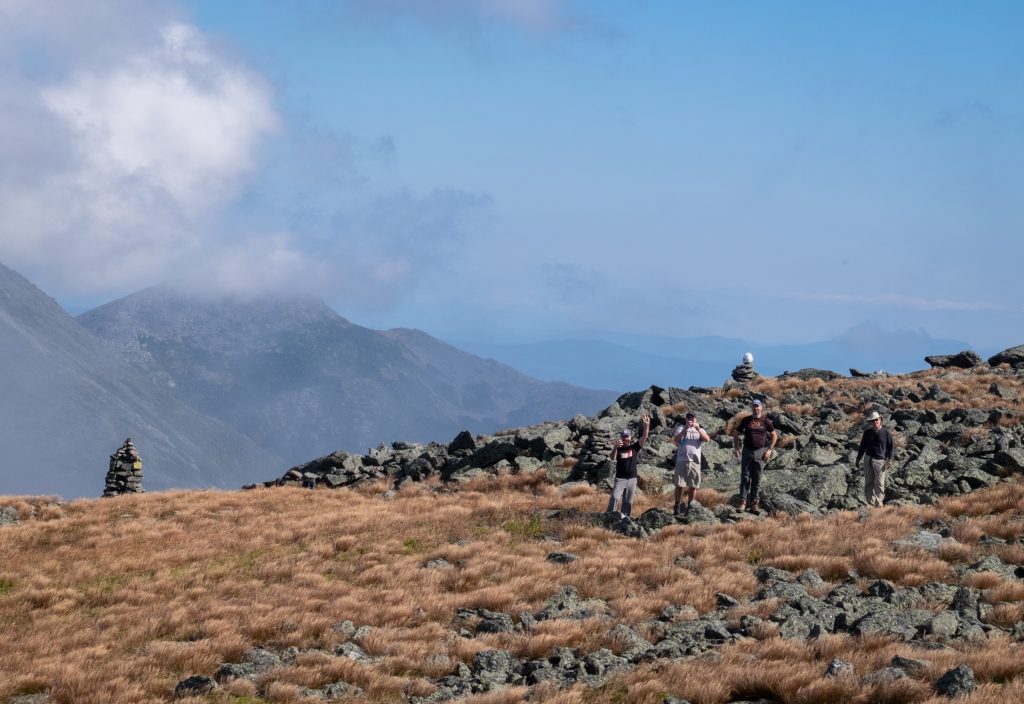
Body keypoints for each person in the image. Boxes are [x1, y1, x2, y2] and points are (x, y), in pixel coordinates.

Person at [732, 399, 776, 512]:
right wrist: (737, 447)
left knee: (757, 478)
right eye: (754, 406)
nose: (755, 408)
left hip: (760, 452)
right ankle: (742, 502)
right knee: (745, 477)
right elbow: (736, 433)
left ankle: (754, 504)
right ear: (752, 408)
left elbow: (774, 435)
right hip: (747, 451)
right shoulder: (746, 420)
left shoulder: (766, 421)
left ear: (761, 407)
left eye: (757, 406)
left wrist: (769, 450)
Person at [607, 414, 650, 518]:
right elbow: (612, 458)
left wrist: (646, 426)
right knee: (614, 497)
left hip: (632, 479)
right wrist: (615, 448)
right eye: (623, 436)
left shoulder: (634, 447)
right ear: (621, 437)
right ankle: (609, 516)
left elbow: (644, 437)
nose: (625, 438)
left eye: (627, 436)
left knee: (628, 501)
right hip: (620, 478)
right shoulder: (619, 448)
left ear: (630, 437)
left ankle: (625, 518)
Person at [673, 412, 711, 514]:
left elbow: (707, 439)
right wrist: (686, 428)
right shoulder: (681, 428)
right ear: (685, 419)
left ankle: (690, 505)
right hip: (682, 460)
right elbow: (676, 439)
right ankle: (676, 505)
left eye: (693, 418)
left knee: (693, 485)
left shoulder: (700, 429)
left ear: (696, 419)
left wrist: (698, 428)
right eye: (689, 418)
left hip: (695, 461)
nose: (691, 420)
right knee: (679, 484)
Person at [855, 410, 894, 507]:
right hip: (868, 459)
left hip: (880, 461)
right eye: (872, 421)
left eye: (876, 420)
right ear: (870, 422)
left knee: (879, 483)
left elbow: (891, 447)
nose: (875, 422)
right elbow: (862, 446)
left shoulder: (886, 433)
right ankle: (870, 503)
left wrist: (890, 458)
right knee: (868, 482)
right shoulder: (867, 432)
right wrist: (858, 458)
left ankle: (879, 503)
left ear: (880, 420)